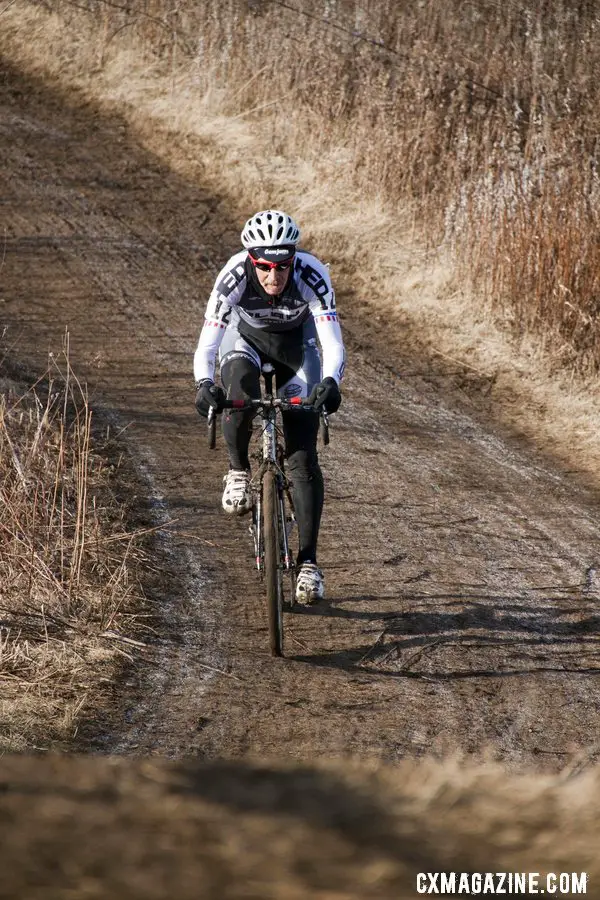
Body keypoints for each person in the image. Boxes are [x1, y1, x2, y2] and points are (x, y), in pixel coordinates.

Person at [193, 209, 345, 604]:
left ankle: (309, 563)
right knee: (239, 392)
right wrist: (204, 384)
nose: (274, 277)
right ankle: (239, 470)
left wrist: (330, 383)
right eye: (264, 267)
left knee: (302, 456)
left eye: (282, 267)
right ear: (251, 260)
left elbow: (331, 342)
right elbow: (209, 343)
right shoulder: (233, 275)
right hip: (245, 342)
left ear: (293, 259)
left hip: (298, 349)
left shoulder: (312, 273)